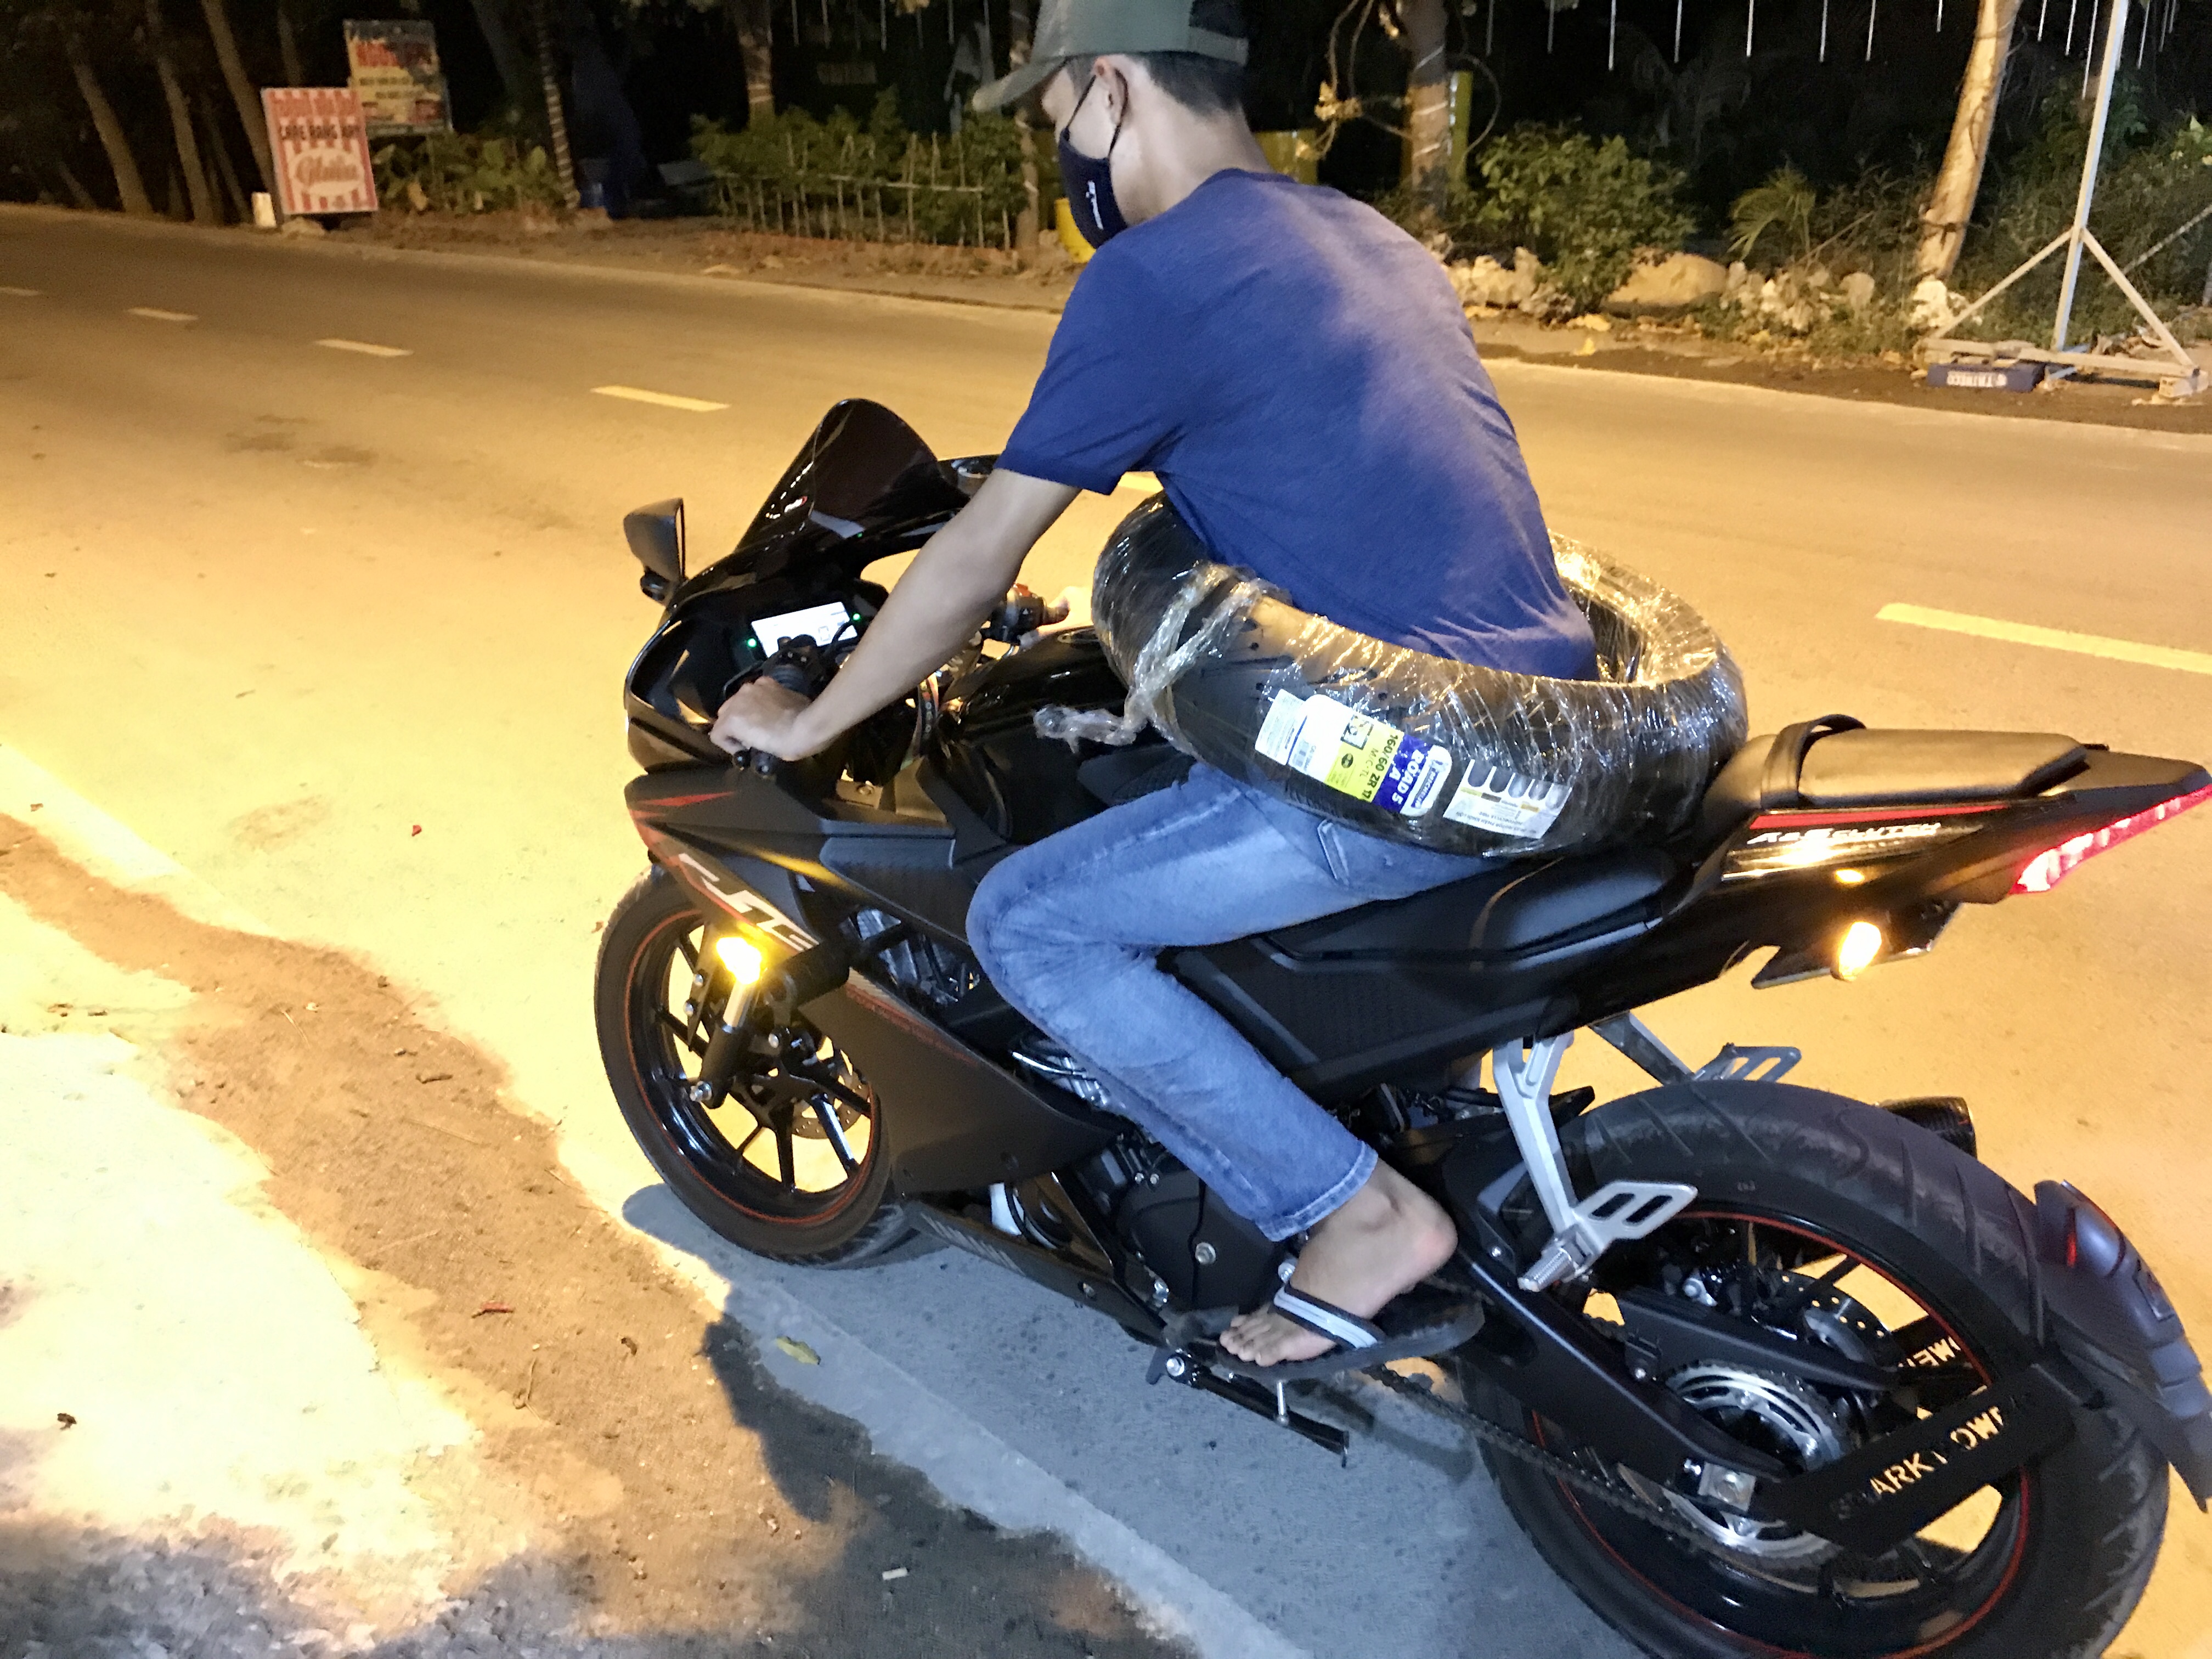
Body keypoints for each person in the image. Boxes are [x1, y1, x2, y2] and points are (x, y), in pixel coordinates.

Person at [709, 0, 1598, 1369]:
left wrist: (811, 715)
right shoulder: (1365, 237)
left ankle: (1356, 1213)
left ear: (1112, 88)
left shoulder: (1157, 277)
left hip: (1401, 767)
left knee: (1031, 924)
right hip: (1545, 734)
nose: (1062, 152)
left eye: (1057, 116)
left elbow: (979, 554)